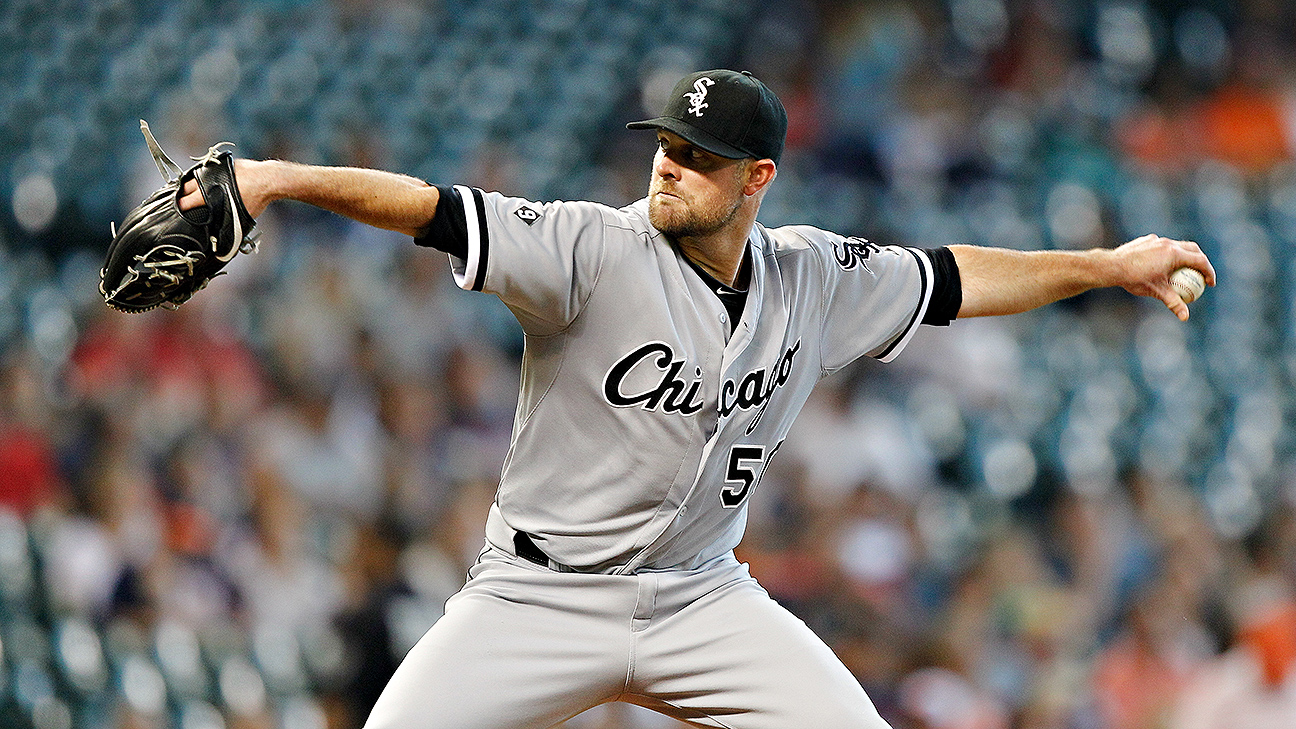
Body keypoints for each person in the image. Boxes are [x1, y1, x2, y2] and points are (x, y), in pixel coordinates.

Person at [182, 69, 1215, 728]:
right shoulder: (590, 246)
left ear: (757, 177)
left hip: (702, 599)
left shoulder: (815, 274)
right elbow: (432, 209)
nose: (670, 166)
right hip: (540, 596)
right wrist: (273, 178)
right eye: (668, 144)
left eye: (699, 157)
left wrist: (1108, 265)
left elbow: (956, 279)